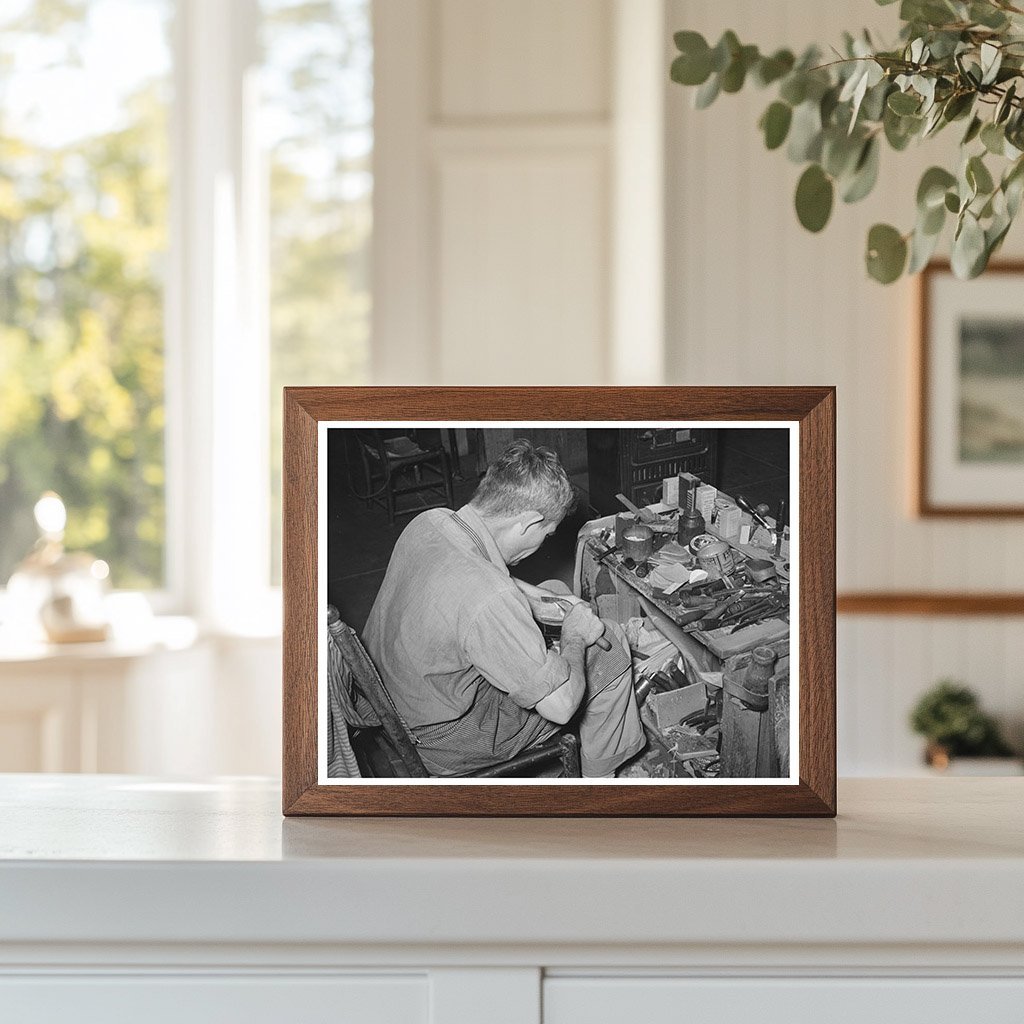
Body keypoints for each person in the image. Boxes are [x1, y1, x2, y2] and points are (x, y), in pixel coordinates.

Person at [362, 439, 645, 777]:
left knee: (553, 590)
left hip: (390, 701)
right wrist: (574, 638)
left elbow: (475, 575)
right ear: (527, 523)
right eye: (547, 533)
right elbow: (563, 707)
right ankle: (599, 783)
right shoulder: (491, 596)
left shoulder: (432, 521)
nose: (543, 546)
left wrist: (537, 602)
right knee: (611, 649)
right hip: (443, 740)